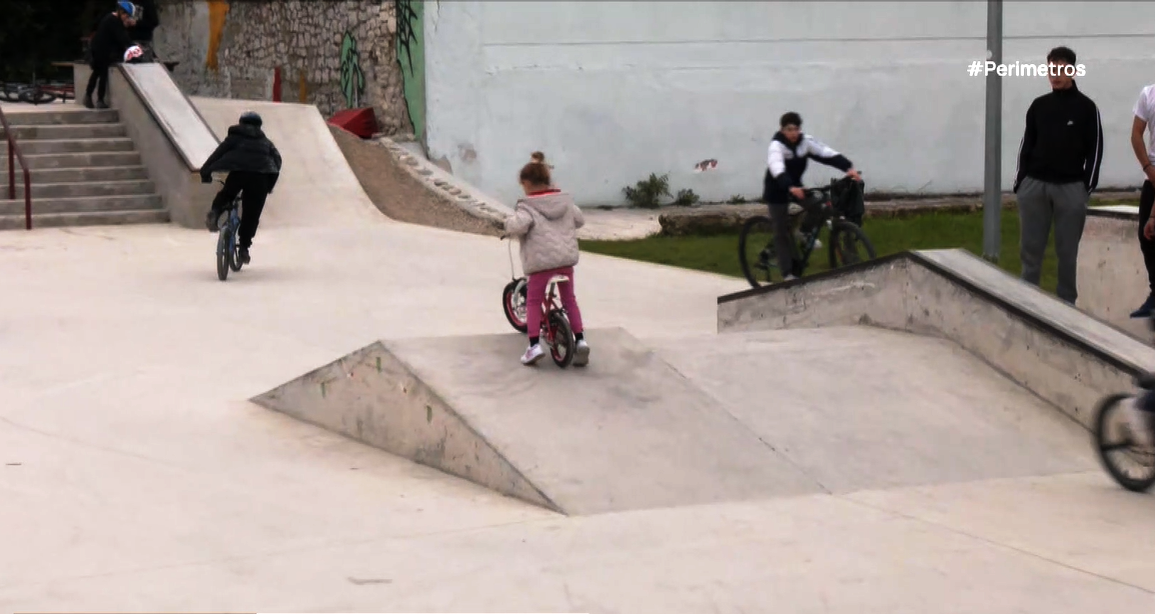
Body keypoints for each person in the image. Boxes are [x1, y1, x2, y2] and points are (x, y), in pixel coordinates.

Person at [1013, 46, 1103, 306]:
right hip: (1035, 187)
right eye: (1052, 68)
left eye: (1062, 69)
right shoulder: (1039, 106)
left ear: (1073, 71)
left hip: (1070, 188)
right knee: (1030, 250)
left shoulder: (1087, 108)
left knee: (1067, 253)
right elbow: (1026, 144)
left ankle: (1066, 306)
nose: (1056, 74)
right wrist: (1021, 182)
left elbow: (1095, 149)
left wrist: (1086, 187)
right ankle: (1027, 302)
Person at [502, 152, 590, 367]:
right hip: (566, 261)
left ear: (527, 184)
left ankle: (533, 346)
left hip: (540, 265)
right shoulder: (565, 201)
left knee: (533, 301)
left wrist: (506, 224)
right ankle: (580, 341)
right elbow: (579, 220)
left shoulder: (527, 206)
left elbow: (519, 225)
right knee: (570, 300)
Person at [763, 111, 861, 280]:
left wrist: (848, 168)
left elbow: (825, 153)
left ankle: (804, 232)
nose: (793, 133)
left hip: (797, 188)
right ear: (782, 130)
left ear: (800, 129)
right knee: (781, 232)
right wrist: (789, 186)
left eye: (796, 129)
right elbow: (776, 167)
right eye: (788, 129)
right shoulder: (776, 146)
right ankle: (787, 274)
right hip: (777, 190)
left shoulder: (805, 142)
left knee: (819, 205)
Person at [199, 111, 282, 264]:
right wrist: (269, 186)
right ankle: (244, 248)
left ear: (241, 123)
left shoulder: (234, 138)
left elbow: (217, 154)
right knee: (251, 214)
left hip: (239, 173)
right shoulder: (266, 143)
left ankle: (215, 213)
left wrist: (206, 172)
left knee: (226, 194)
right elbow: (277, 161)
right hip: (260, 177)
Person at [1129, 83, 1155, 317]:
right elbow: (1136, 134)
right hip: (1153, 175)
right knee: (1145, 236)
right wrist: (1148, 168)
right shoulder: (1149, 94)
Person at [84, 1, 139, 109]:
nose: (126, 19)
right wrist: (133, 46)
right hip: (101, 51)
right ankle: (99, 99)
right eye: (126, 16)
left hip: (99, 49)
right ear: (121, 12)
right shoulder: (113, 21)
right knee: (102, 74)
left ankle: (88, 95)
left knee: (96, 73)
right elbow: (121, 38)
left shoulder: (111, 18)